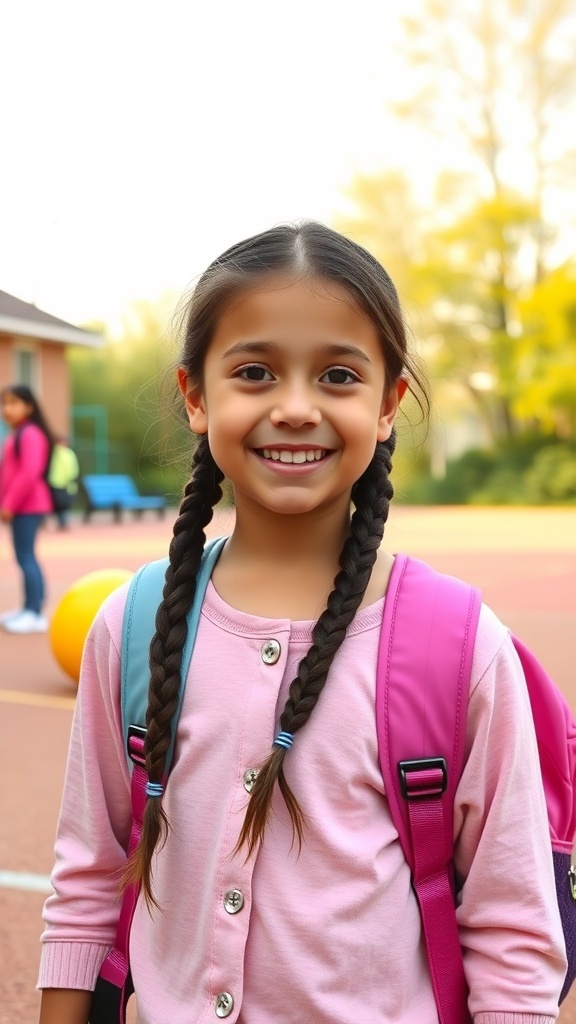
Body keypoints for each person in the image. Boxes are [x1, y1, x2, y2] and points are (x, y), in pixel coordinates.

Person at [37, 223, 566, 1024]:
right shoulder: (134, 625)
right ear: (195, 395)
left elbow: (514, 930)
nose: (293, 407)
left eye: (337, 375)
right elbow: (87, 879)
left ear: (388, 403)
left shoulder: (460, 648)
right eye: (254, 371)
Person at [0, 383, 53, 633]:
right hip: (23, 505)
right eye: (4, 404)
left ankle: (34, 612)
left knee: (26, 557)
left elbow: (29, 473)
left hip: (27, 506)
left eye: (13, 403)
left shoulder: (30, 434)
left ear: (29, 407)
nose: (7, 409)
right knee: (25, 556)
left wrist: (9, 503)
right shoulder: (18, 433)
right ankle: (29, 608)